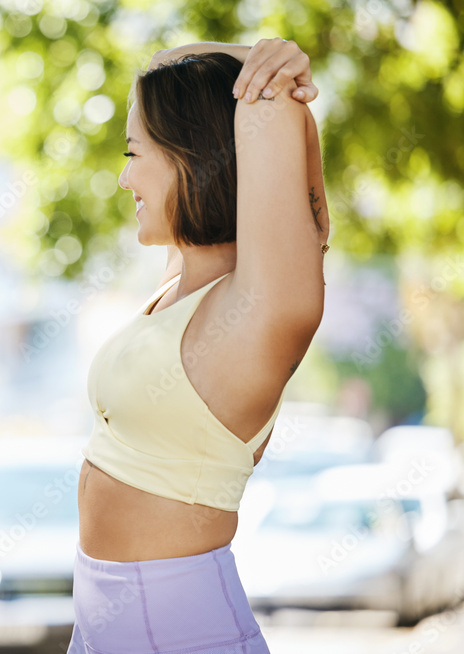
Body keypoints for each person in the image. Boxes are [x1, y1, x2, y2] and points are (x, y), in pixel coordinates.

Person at [69, 38, 329, 653]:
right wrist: (242, 54)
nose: (124, 176)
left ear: (194, 157)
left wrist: (274, 61)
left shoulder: (259, 311)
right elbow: (170, 63)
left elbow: (267, 101)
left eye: (135, 154)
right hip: (105, 624)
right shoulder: (182, 278)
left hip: (181, 632)